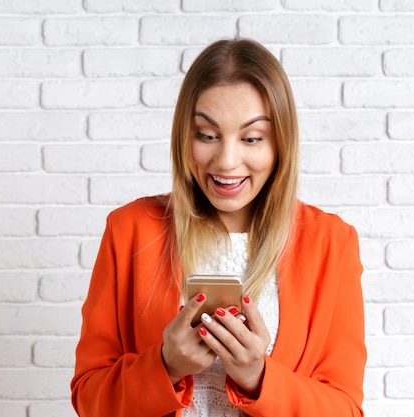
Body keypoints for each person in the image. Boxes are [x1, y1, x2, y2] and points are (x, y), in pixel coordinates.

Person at [70, 38, 366, 417]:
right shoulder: (130, 230)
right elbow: (90, 398)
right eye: (207, 135)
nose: (226, 161)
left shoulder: (331, 243)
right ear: (184, 136)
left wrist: (259, 377)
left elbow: (345, 409)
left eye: (252, 138)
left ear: (281, 144)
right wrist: (165, 365)